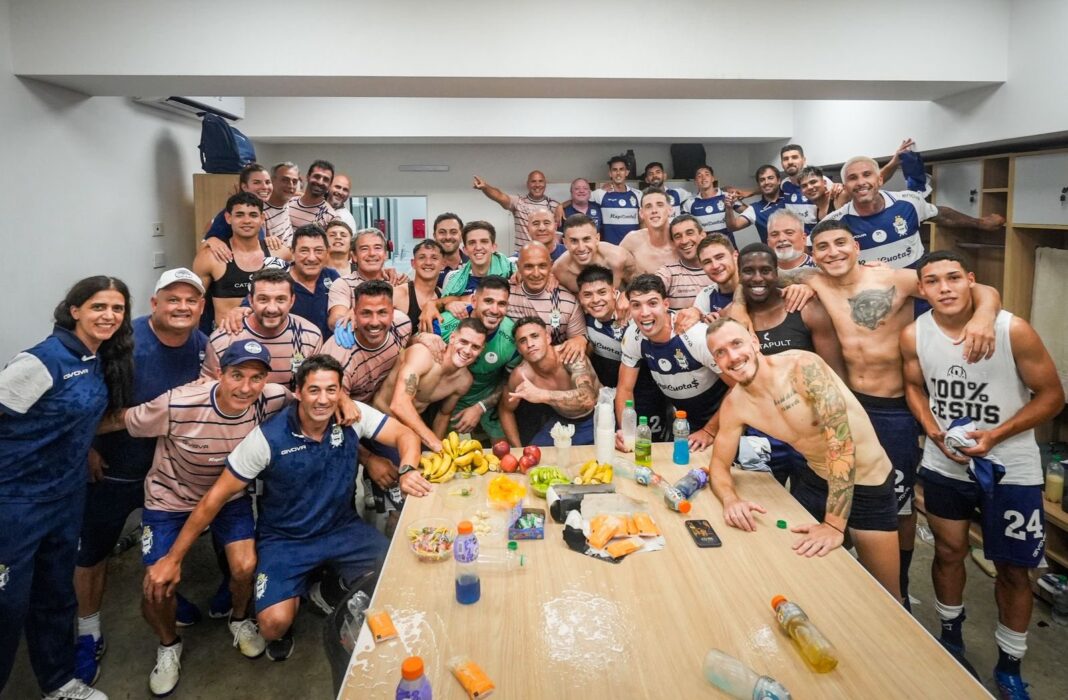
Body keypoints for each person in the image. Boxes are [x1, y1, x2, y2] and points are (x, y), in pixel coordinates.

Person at [770, 218, 1002, 609]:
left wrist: (983, 315)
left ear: (857, 246)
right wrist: (796, 285)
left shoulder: (895, 278)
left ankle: (898, 590)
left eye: (841, 243)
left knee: (898, 502)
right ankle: (844, 580)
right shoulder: (815, 281)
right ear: (814, 253)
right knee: (844, 490)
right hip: (852, 405)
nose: (833, 252)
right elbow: (756, 276)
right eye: (823, 247)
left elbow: (980, 289)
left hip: (894, 407)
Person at [143, 355, 425, 663]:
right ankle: (295, 596)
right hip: (286, 538)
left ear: (341, 392)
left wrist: (408, 469)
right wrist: (173, 558)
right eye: (314, 390)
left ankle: (325, 590)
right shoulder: (266, 439)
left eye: (331, 390)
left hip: (343, 528)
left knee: (403, 578)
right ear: (298, 392)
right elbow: (214, 498)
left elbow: (405, 434)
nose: (323, 399)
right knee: (272, 626)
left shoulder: (352, 416)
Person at [901, 251, 1063, 699]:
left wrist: (997, 435)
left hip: (1012, 465)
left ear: (971, 280)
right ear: (922, 290)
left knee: (1014, 570)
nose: (945, 288)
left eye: (953, 277)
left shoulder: (1012, 329)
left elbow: (1052, 395)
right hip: (946, 464)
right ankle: (951, 638)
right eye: (933, 281)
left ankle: (1009, 666)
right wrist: (932, 431)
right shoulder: (915, 334)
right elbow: (913, 386)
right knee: (949, 551)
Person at [100, 341, 288, 693]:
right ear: (218, 374)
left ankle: (239, 618)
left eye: (256, 378)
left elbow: (312, 399)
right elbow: (119, 419)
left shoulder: (272, 398)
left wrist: (341, 399)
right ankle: (168, 644)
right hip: (170, 500)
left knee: (245, 566)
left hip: (228, 497)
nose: (246, 387)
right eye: (236, 375)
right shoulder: (177, 403)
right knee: (157, 586)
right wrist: (80, 447)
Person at [0, 276, 133, 700]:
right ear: (74, 310)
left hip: (66, 497)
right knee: (6, 607)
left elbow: (75, 416)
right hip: (15, 502)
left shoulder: (98, 358)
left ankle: (58, 682)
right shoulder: (43, 361)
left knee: (56, 595)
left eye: (117, 308)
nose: (108, 315)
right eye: (98, 306)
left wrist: (87, 447)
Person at [73, 270, 207, 687]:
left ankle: (166, 599)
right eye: (173, 299)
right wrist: (86, 448)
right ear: (154, 304)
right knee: (91, 553)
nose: (182, 307)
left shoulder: (202, 346)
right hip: (112, 470)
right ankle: (88, 631)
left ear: (202, 307)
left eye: (191, 300)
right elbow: (82, 404)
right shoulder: (121, 343)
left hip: (168, 475)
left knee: (164, 548)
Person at [704, 318, 902, 600]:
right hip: (816, 480)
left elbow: (841, 442)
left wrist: (833, 525)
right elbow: (719, 466)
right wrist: (730, 500)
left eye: (736, 344)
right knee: (805, 577)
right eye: (720, 352)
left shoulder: (802, 367)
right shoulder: (736, 405)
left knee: (886, 595)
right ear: (716, 362)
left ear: (754, 342)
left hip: (867, 484)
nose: (732, 356)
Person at [729, 243, 845, 485]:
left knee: (812, 501)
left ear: (777, 272)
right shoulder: (733, 320)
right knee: (760, 499)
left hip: (810, 427)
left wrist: (835, 431)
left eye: (765, 270)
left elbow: (835, 374)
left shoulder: (806, 309)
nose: (757, 278)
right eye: (748, 271)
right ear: (739, 275)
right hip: (761, 429)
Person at [324, 280, 413, 522]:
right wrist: (368, 459)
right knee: (341, 488)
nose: (375, 322)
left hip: (377, 412)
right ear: (354, 313)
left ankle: (395, 517)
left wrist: (425, 339)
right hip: (340, 421)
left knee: (402, 468)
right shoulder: (340, 353)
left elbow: (409, 349)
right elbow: (328, 419)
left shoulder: (402, 325)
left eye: (382, 312)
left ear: (393, 312)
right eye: (366, 313)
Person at [822, 155, 1004, 269]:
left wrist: (980, 223)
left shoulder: (909, 202)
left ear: (880, 180)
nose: (861, 182)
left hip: (916, 292)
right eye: (853, 178)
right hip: (872, 299)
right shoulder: (834, 223)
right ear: (845, 186)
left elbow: (941, 214)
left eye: (867, 175)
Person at [616, 275, 725, 451]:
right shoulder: (633, 335)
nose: (644, 313)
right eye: (636, 305)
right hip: (683, 422)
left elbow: (739, 388)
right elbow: (624, 389)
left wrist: (710, 431)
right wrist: (627, 433)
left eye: (652, 303)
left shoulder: (696, 335)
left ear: (666, 304)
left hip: (722, 418)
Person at [420, 276, 520, 442]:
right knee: (448, 453)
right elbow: (412, 351)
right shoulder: (444, 324)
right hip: (446, 401)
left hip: (487, 401)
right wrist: (420, 337)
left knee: (506, 453)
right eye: (488, 301)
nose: (495, 310)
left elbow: (509, 383)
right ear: (474, 301)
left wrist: (481, 407)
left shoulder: (512, 338)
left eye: (501, 304)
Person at [576, 265, 670, 441]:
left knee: (646, 444)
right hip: (607, 396)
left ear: (614, 292)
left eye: (602, 292)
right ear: (579, 298)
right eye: (587, 295)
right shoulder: (582, 318)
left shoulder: (635, 314)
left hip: (646, 392)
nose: (595, 300)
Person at [373, 318, 487, 452]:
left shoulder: (463, 381)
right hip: (379, 422)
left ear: (482, 350)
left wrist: (438, 452)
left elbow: (443, 415)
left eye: (475, 347)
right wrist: (434, 442)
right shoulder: (423, 355)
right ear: (452, 338)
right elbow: (399, 404)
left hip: (410, 432)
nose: (467, 351)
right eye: (463, 342)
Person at [202, 268, 323, 389]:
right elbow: (209, 389)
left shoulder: (310, 336)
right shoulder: (224, 339)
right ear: (251, 300)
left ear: (292, 301)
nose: (272, 309)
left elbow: (317, 386)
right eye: (263, 299)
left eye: (280, 299)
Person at [499, 316, 599, 447]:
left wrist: (541, 395)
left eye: (535, 336)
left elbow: (588, 400)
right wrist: (518, 449)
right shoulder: (521, 374)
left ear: (547, 338)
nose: (530, 344)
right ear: (519, 349)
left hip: (598, 415)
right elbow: (506, 410)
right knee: (534, 455)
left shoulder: (570, 355)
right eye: (523, 341)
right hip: (563, 421)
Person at [193, 192, 289, 324]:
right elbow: (194, 303)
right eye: (239, 215)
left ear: (262, 218)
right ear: (228, 218)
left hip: (271, 333)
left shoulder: (280, 253)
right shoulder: (210, 257)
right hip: (228, 334)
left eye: (253, 215)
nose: (247, 221)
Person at [422, 221, 516, 331]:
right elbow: (446, 303)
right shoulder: (453, 278)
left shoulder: (512, 273)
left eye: (484, 241)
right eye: (472, 243)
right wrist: (442, 305)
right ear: (465, 250)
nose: (478, 247)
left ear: (493, 247)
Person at [506, 243, 587, 357]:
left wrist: (580, 340)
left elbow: (578, 341)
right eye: (529, 266)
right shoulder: (504, 294)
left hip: (553, 363)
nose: (536, 273)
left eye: (542, 266)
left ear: (550, 266)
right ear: (518, 267)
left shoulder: (568, 301)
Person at [326, 227, 402, 329]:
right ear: (354, 256)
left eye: (377, 248)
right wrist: (354, 317)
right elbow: (336, 319)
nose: (372, 253)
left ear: (385, 254)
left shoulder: (398, 282)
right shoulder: (343, 284)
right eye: (364, 249)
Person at [472, 171, 559, 250]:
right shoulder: (518, 202)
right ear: (528, 184)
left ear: (545, 183)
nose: (537, 185)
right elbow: (500, 196)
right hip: (522, 255)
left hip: (546, 255)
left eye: (540, 181)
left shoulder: (554, 205)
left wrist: (562, 206)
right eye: (533, 181)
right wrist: (485, 187)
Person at [552, 213, 636, 294]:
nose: (581, 248)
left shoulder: (618, 258)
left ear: (597, 239)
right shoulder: (559, 270)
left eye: (586, 239)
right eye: (574, 241)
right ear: (565, 243)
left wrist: (624, 296)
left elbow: (637, 287)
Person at [656, 214, 715, 310]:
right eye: (678, 236)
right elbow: (647, 290)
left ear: (702, 235)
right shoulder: (668, 272)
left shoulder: (718, 268)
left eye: (690, 233)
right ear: (673, 242)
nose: (684, 241)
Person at [620, 188, 679, 275]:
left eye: (660, 205)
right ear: (641, 213)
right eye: (648, 206)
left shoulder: (682, 240)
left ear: (670, 210)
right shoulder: (632, 241)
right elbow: (613, 266)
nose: (654, 211)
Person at [681, 164, 747, 241]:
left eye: (707, 174)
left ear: (713, 178)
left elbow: (750, 212)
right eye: (699, 176)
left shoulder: (727, 196)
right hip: (704, 247)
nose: (703, 178)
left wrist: (735, 224)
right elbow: (683, 226)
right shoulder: (689, 203)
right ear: (695, 182)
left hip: (728, 246)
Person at [588, 156, 643, 244]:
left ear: (627, 172)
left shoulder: (638, 194)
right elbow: (578, 200)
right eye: (614, 170)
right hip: (610, 248)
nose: (618, 173)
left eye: (621, 169)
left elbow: (643, 221)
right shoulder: (600, 194)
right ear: (610, 173)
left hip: (633, 247)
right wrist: (563, 206)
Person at [392, 239, 444, 331]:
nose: (428, 262)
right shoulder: (398, 294)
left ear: (442, 264)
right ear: (413, 263)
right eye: (422, 257)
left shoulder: (443, 295)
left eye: (434, 258)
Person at [728, 164, 787, 243]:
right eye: (762, 180)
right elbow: (733, 226)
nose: (766, 182)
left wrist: (751, 192)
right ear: (758, 184)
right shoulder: (754, 209)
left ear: (779, 180)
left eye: (770, 178)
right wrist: (728, 207)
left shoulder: (789, 196)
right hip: (772, 250)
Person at [288, 159, 337, 231]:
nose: (320, 182)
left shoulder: (331, 217)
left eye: (326, 179)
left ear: (330, 184)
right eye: (316, 176)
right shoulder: (288, 203)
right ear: (307, 177)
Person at [265, 162, 300, 244]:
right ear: (272, 181)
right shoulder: (261, 212)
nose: (291, 186)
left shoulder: (287, 201)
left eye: (294, 182)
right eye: (285, 180)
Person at [432, 212, 468, 287]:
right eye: (442, 232)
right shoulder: (427, 267)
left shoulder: (473, 265)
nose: (448, 237)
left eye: (453, 232)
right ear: (434, 236)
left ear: (462, 236)